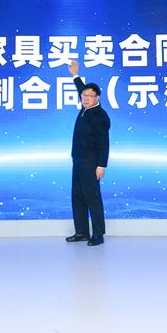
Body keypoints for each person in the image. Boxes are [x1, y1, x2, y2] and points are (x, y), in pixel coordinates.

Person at [65, 60, 111, 246]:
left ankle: (98, 234)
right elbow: (82, 89)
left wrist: (101, 165)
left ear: (97, 98)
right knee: (77, 196)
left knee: (92, 198)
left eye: (90, 96)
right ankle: (82, 232)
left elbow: (104, 143)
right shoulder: (86, 107)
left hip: (91, 163)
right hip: (78, 160)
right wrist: (75, 75)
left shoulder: (100, 116)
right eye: (83, 95)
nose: (85, 98)